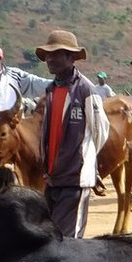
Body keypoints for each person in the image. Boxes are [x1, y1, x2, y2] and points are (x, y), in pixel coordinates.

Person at [36, 30, 106, 238]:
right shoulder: (50, 91)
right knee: (49, 238)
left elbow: (100, 130)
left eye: (55, 54)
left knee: (69, 242)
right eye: (47, 55)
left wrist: (88, 162)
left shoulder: (86, 90)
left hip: (75, 178)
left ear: (71, 57)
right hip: (53, 178)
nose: (49, 59)